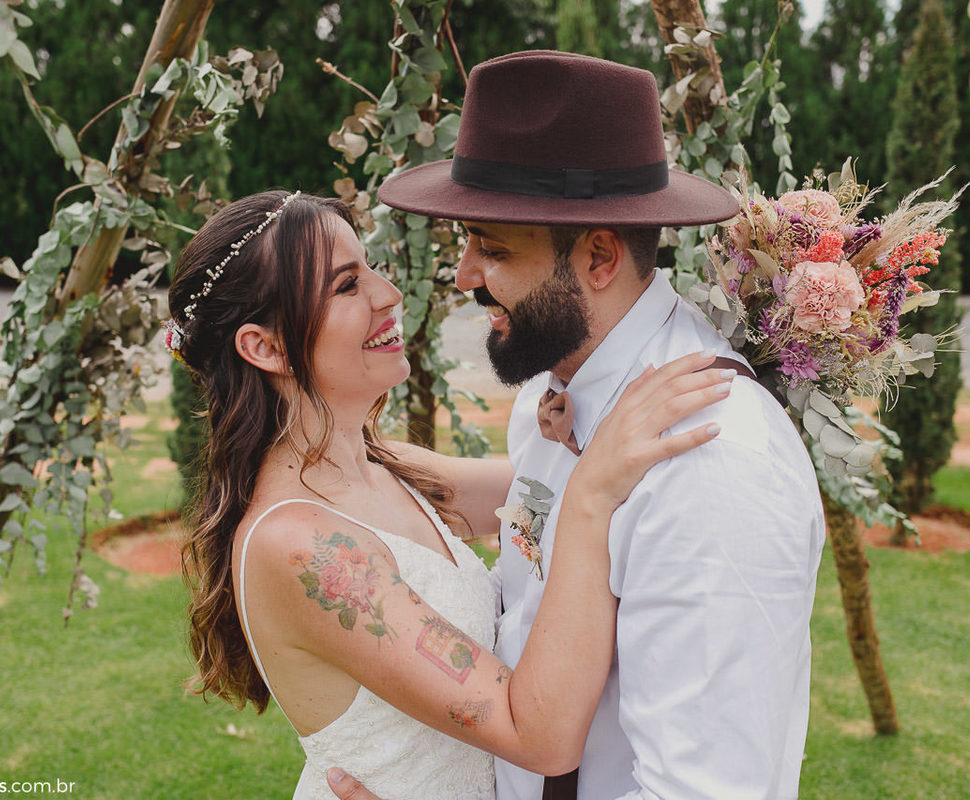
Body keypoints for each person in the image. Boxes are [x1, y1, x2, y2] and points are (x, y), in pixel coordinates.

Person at [332, 50, 827, 800]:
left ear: (599, 256)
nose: (463, 276)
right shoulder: (555, 393)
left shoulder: (711, 463)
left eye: (492, 248)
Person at [168, 188, 735, 799]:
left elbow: (538, 495)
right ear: (266, 347)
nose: (389, 294)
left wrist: (577, 427)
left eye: (370, 268)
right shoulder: (300, 546)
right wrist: (592, 494)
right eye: (347, 286)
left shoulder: (390, 470)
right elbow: (538, 735)